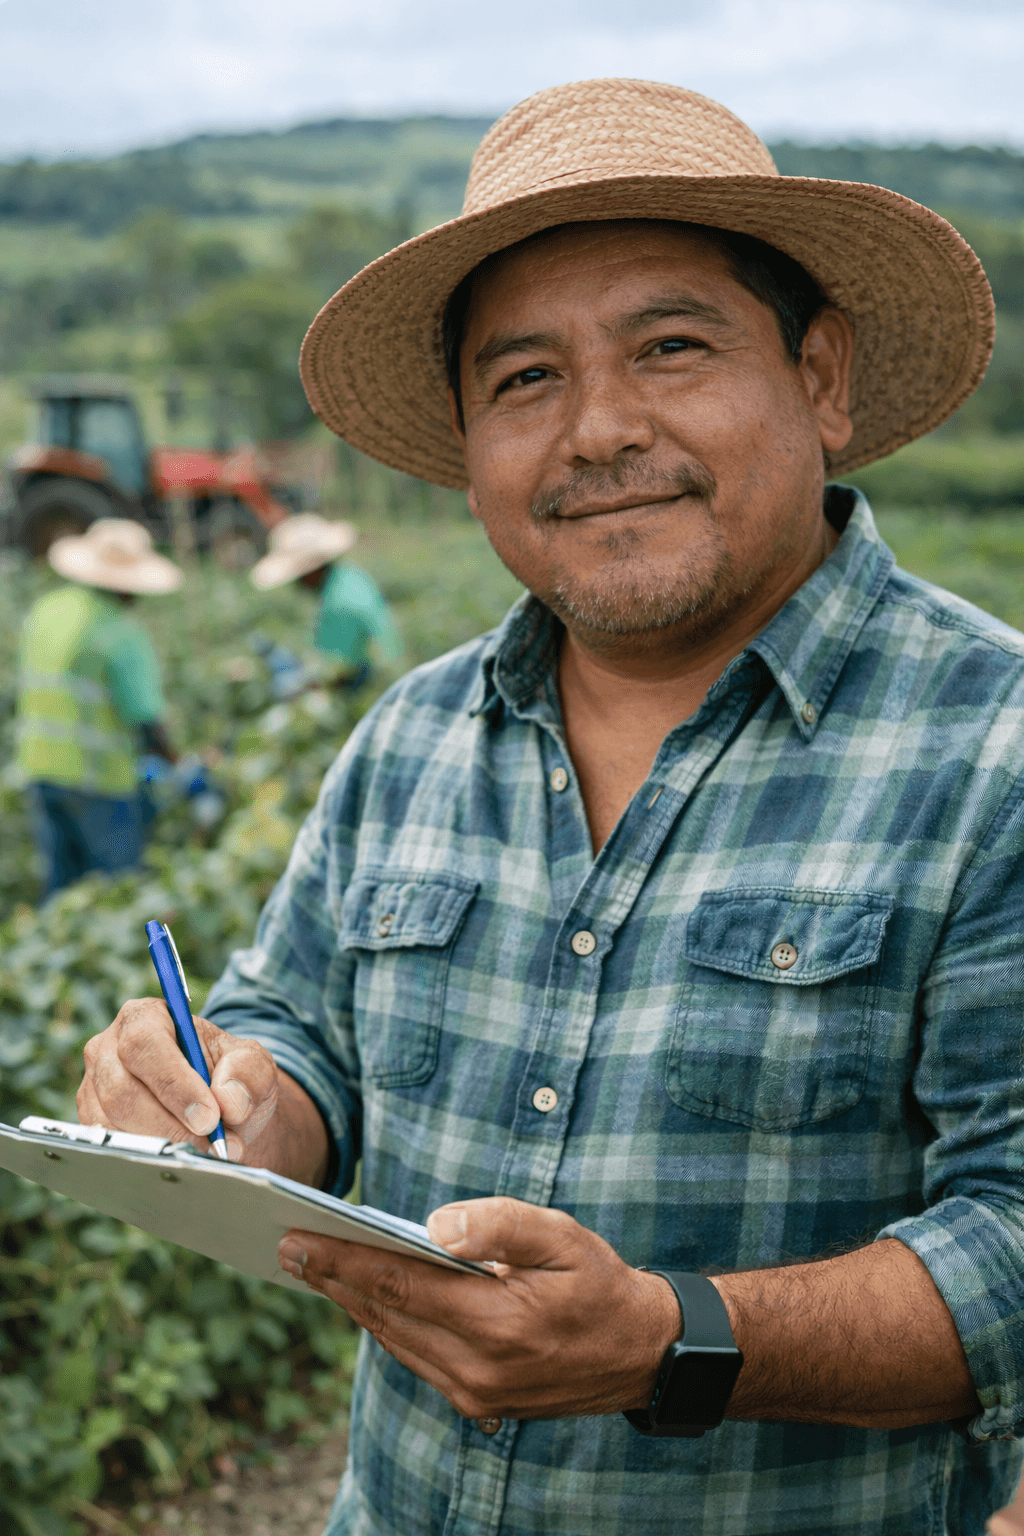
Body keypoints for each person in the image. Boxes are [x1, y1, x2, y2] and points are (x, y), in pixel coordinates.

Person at [75, 79, 1024, 1535]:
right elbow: (302, 1038)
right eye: (523, 379)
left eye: (672, 346)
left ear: (820, 377)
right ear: (469, 442)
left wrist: (670, 1339)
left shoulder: (993, 751)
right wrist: (238, 1105)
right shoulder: (410, 737)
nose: (595, 429)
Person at [16, 517, 181, 897]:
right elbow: (146, 720)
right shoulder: (122, 633)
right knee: (115, 896)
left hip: (40, 768)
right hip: (100, 782)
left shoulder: (47, 610)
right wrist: (178, 764)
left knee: (63, 896)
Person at [250, 512, 403, 689]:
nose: (296, 584)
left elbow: (336, 668)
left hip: (366, 680)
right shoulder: (348, 574)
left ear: (311, 571)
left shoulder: (339, 605)